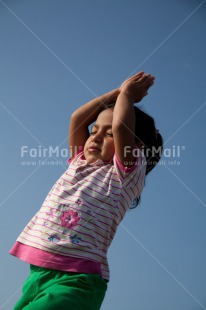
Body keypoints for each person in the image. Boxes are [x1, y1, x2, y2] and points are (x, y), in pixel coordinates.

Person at [10, 71, 163, 310]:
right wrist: (116, 93)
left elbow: (123, 126)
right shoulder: (80, 162)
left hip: (77, 281)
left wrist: (127, 97)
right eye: (94, 131)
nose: (96, 137)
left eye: (109, 134)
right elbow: (78, 118)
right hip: (37, 275)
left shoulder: (125, 174)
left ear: (136, 147)